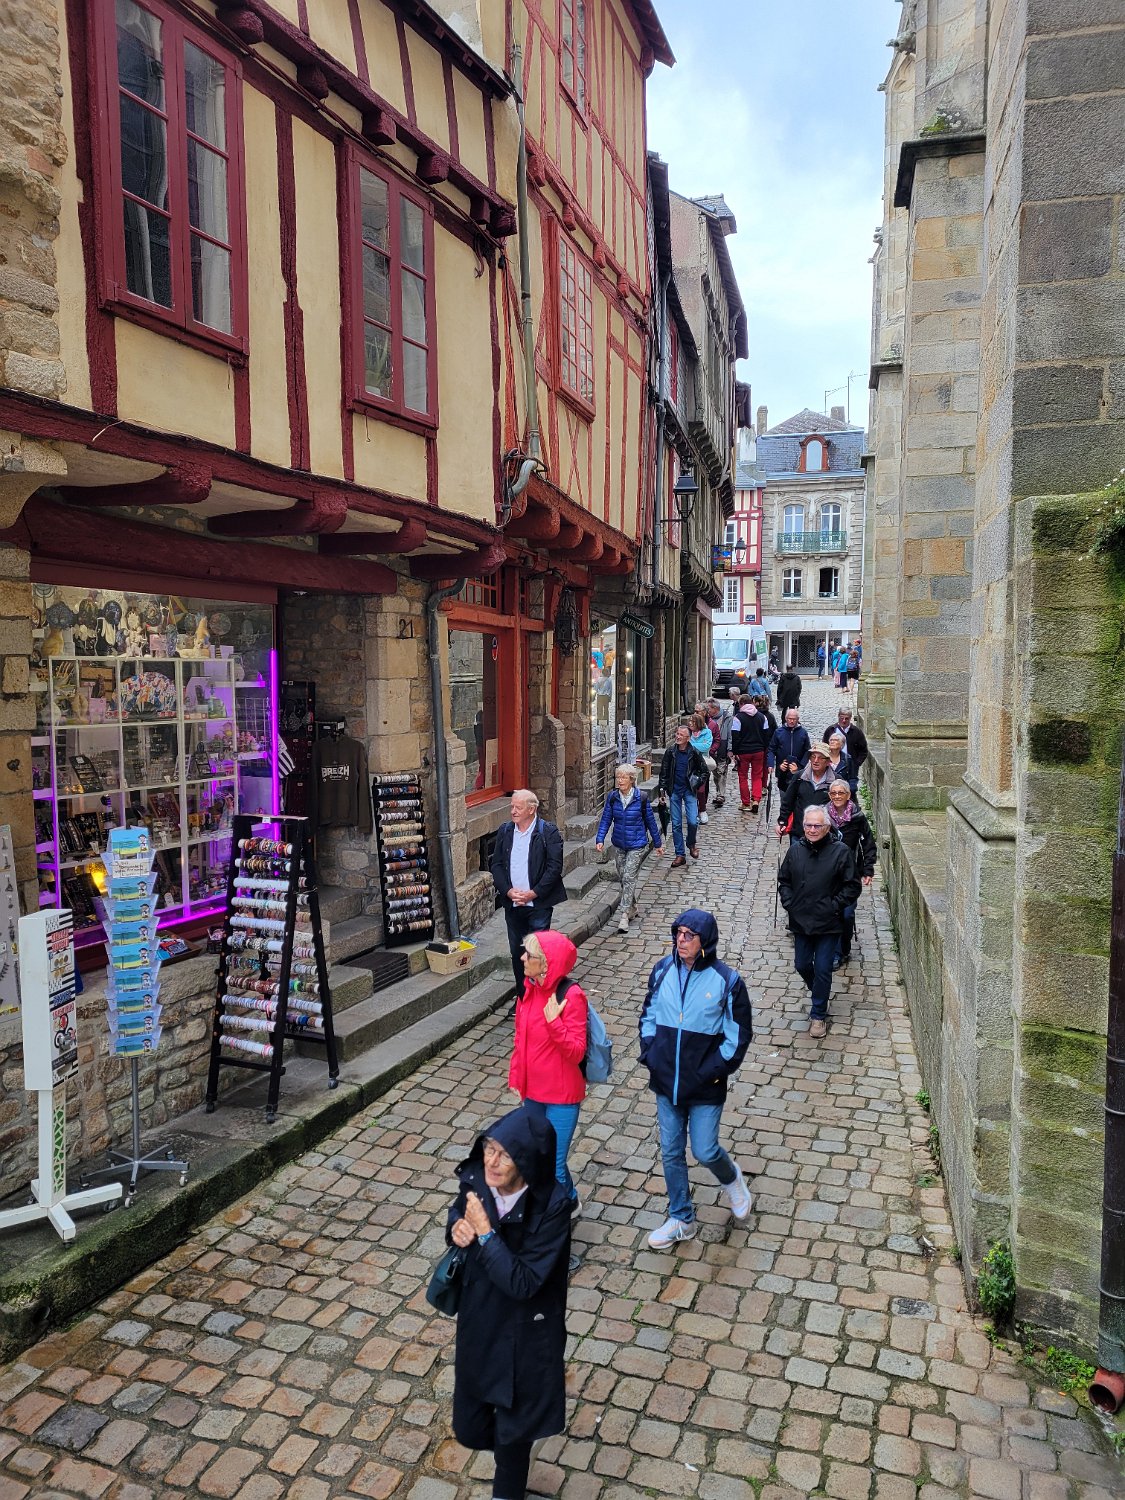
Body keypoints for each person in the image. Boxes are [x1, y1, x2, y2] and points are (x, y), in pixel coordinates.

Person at [446, 1105, 572, 1500]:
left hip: (527, 1337)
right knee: (469, 1428)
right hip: (481, 1322)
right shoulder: (478, 1180)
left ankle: (508, 1489)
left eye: (505, 1155)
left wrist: (485, 1234)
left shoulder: (552, 1208)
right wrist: (457, 1227)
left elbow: (524, 1282)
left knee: (514, 1436)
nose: (492, 1161)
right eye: (489, 1148)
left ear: (527, 1162)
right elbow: (458, 1211)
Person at [639, 909, 754, 1247]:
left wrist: (713, 1071)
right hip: (666, 1081)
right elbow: (648, 1014)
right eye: (678, 933)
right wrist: (651, 1054)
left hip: (705, 1085)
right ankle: (681, 1218)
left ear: (705, 941)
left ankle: (732, 1180)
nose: (681, 940)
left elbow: (738, 1035)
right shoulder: (662, 970)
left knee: (704, 1149)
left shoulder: (727, 982)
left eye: (689, 935)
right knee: (671, 1152)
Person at [508, 931, 587, 1209]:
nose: (522, 958)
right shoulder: (528, 990)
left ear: (546, 963)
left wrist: (555, 1023)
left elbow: (576, 1051)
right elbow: (521, 1040)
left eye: (529, 955)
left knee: (553, 1164)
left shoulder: (572, 996)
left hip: (561, 1097)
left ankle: (563, 1210)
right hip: (534, 1093)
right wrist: (517, 1077)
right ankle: (562, 1203)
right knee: (538, 1158)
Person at [777, 805, 861, 1038]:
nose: (812, 830)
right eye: (808, 825)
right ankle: (819, 993)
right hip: (801, 919)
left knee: (823, 968)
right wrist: (790, 903)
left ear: (827, 827)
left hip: (828, 922)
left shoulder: (841, 852)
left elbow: (852, 886)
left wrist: (834, 906)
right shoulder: (795, 850)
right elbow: (784, 880)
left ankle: (818, 1014)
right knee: (802, 964)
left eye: (817, 825)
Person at [491, 790, 566, 995]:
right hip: (513, 904)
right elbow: (496, 865)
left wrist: (534, 893)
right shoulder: (505, 831)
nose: (513, 811)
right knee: (518, 952)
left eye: (518, 807)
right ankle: (523, 996)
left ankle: (539, 997)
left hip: (538, 905)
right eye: (512, 807)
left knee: (535, 953)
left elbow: (554, 868)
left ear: (531, 809)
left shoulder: (547, 832)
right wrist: (508, 891)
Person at [595, 763, 664, 933]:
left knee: (628, 876)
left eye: (623, 777)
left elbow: (650, 821)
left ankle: (624, 915)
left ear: (631, 779)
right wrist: (600, 838)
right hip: (619, 844)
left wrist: (658, 843)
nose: (620, 780)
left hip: (637, 844)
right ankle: (633, 906)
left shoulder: (641, 798)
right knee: (623, 877)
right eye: (618, 777)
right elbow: (606, 819)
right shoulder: (613, 797)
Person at [826, 780, 876, 967]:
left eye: (841, 793)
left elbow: (868, 843)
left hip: (850, 875)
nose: (837, 796)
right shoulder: (823, 816)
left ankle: (843, 949)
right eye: (833, 793)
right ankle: (834, 952)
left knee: (846, 914)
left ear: (848, 795)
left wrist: (868, 869)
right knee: (831, 913)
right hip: (827, 875)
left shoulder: (857, 817)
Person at [658, 724, 706, 868]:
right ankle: (680, 855)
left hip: (689, 791)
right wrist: (662, 792)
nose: (678, 737)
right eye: (677, 734)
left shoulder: (694, 752)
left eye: (681, 735)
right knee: (676, 824)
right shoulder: (670, 752)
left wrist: (696, 783)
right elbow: (664, 773)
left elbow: (704, 771)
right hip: (675, 791)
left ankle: (691, 844)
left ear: (688, 738)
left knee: (693, 821)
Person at [777, 741, 834, 838]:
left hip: (824, 835)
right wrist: (782, 821)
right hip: (799, 832)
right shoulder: (799, 777)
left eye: (820, 758)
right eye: (813, 757)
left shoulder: (834, 781)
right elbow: (788, 801)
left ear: (828, 762)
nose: (816, 761)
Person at [730, 694, 770, 813]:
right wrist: (764, 749)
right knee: (757, 776)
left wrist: (735, 752)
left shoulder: (738, 718)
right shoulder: (762, 717)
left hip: (743, 752)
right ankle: (756, 799)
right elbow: (766, 735)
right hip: (758, 751)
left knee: (743, 777)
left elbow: (735, 736)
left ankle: (746, 803)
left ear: (741, 704)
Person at [768, 708, 810, 795]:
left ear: (798, 719)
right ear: (786, 718)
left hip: (798, 771)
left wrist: (801, 766)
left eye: (794, 719)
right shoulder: (778, 732)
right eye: (790, 719)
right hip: (782, 770)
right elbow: (771, 749)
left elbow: (807, 751)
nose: (791, 721)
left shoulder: (803, 733)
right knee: (784, 796)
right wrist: (770, 764)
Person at [824, 707, 869, 773]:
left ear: (850, 718)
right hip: (831, 766)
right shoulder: (830, 730)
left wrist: (856, 764)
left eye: (846, 719)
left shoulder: (857, 732)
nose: (844, 721)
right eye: (842, 718)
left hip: (850, 768)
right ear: (838, 716)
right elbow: (824, 747)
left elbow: (863, 750)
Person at [690, 711, 716, 824]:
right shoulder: (688, 732)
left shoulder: (707, 732)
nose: (690, 723)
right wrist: (698, 746)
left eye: (693, 722)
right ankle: (693, 811)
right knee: (691, 789)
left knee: (701, 789)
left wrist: (691, 745)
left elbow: (706, 747)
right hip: (690, 764)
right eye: (690, 721)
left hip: (702, 764)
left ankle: (702, 810)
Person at [708, 698, 732, 807]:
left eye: (709, 709)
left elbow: (730, 734)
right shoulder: (708, 719)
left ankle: (721, 795)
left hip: (723, 747)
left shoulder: (727, 718)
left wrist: (730, 749)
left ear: (715, 708)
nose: (708, 711)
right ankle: (719, 792)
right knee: (715, 773)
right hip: (711, 749)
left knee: (721, 772)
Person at [826, 730, 858, 796]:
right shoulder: (824, 758)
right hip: (826, 792)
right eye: (831, 740)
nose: (832, 742)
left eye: (835, 740)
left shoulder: (848, 759)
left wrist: (850, 790)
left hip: (842, 793)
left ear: (841, 744)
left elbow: (853, 778)